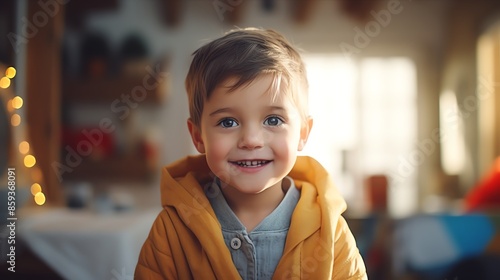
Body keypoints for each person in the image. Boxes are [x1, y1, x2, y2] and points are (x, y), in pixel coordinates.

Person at [135, 27, 367, 279]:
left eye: (273, 120)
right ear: (198, 137)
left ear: (302, 133)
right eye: (228, 122)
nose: (251, 140)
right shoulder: (171, 232)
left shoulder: (332, 233)